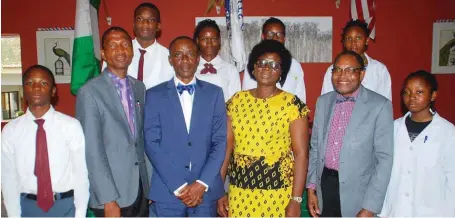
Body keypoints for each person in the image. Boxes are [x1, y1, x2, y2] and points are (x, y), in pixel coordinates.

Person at [217, 39, 310, 217]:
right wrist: (219, 190)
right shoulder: (236, 101)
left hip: (278, 192)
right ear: (253, 67)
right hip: (240, 192)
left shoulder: (292, 105)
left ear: (281, 72)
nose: (267, 68)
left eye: (274, 65)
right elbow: (226, 149)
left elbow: (301, 155)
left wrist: (296, 200)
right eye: (262, 63)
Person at [144, 36, 226, 216]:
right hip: (168, 190)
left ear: (198, 58)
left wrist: (201, 184)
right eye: (178, 55)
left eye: (190, 54)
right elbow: (151, 143)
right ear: (170, 60)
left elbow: (220, 142)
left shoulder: (215, 94)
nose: (185, 60)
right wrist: (178, 186)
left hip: (205, 191)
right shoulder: (153, 95)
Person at [307, 50, 393, 217]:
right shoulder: (323, 102)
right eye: (337, 69)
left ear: (361, 74)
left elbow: (384, 160)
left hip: (358, 195)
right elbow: (315, 147)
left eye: (349, 70)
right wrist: (311, 187)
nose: (342, 75)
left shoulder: (380, 106)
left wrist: (370, 207)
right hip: (325, 187)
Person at [76, 27, 149, 217]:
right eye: (113, 45)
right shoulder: (90, 92)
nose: (120, 50)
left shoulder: (139, 87)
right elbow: (92, 150)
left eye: (125, 44)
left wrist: (148, 185)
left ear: (132, 50)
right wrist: (108, 199)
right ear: (103, 54)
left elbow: (139, 140)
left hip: (140, 190)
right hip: (112, 196)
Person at [1, 65, 89, 217]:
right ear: (23, 89)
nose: (36, 87)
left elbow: (81, 174)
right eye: (30, 83)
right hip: (27, 207)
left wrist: (80, 213)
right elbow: (8, 179)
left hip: (65, 206)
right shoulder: (10, 131)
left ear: (53, 90)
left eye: (43, 83)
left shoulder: (71, 126)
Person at [380, 70, 455, 216]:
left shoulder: (448, 133)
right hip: (395, 210)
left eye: (419, 92)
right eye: (406, 92)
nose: (411, 97)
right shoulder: (393, 128)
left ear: (433, 95)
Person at [102, 2, 174, 89]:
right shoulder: (117, 52)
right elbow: (104, 86)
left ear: (158, 26)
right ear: (134, 24)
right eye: (140, 19)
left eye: (151, 20)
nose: (145, 24)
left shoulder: (169, 57)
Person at [321, 19, 392, 101]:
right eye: (348, 39)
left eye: (358, 38)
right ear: (343, 42)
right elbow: (326, 102)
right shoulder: (332, 70)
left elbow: (386, 103)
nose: (353, 43)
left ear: (367, 40)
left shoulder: (380, 70)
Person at [242, 17, 307, 102]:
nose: (275, 38)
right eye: (270, 34)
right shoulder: (255, 63)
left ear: (284, 38)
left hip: (289, 113)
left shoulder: (295, 65)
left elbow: (301, 99)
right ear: (263, 37)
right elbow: (248, 95)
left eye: (279, 34)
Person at [194, 19, 241, 102]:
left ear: (219, 41)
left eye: (214, 39)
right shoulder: (190, 68)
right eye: (204, 39)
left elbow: (235, 102)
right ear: (197, 41)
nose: (209, 43)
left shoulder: (230, 70)